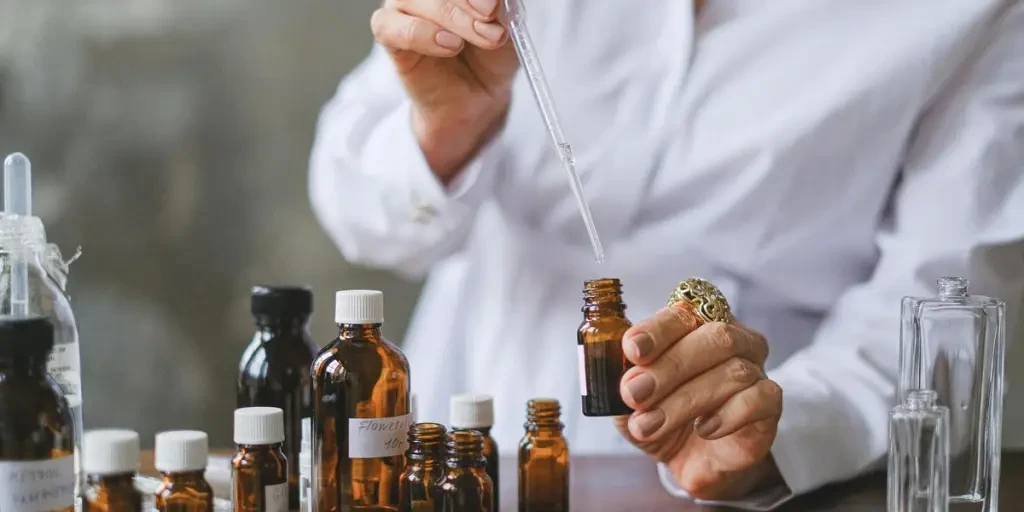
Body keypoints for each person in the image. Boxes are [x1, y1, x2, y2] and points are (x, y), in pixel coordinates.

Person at [309, 0, 1024, 508]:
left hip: (740, 465)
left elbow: (941, 320)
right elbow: (359, 218)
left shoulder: (973, 15)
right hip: (470, 440)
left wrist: (776, 429)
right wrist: (447, 127)